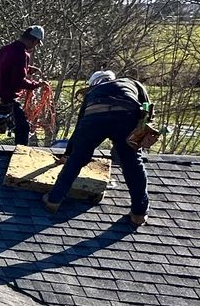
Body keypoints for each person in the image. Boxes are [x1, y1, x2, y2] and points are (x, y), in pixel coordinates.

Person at [43, 69, 152, 227]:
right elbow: (147, 112)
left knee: (78, 159)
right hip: (126, 115)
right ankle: (139, 214)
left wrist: (68, 154)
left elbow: (79, 129)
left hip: (95, 117)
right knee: (132, 163)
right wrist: (133, 144)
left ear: (93, 84)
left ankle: (53, 200)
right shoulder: (132, 83)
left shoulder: (92, 94)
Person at [0, 26, 46, 144]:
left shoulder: (5, 49)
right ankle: (20, 156)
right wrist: (37, 85)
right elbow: (18, 82)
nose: (34, 47)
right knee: (23, 128)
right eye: (36, 44)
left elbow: (6, 69)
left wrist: (27, 69)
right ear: (34, 41)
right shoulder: (22, 54)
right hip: (6, 100)